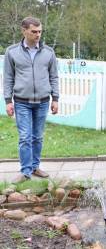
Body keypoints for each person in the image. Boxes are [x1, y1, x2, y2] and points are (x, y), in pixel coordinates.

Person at [3, 17, 59, 183]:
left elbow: (54, 76)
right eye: (34, 31)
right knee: (25, 137)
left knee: (37, 137)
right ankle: (26, 171)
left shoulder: (49, 52)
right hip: (21, 102)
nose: (38, 34)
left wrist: (55, 99)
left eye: (40, 31)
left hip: (43, 101)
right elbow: (8, 78)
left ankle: (35, 167)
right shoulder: (12, 52)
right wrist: (8, 101)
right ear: (24, 31)